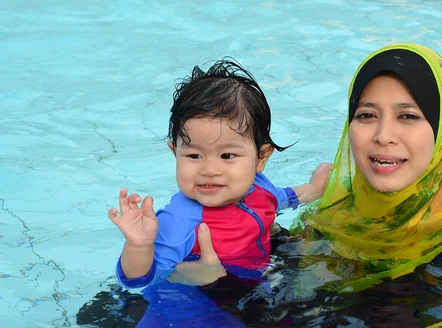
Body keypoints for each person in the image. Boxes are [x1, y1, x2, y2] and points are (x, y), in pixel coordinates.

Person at [282, 43, 442, 293]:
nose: (383, 135)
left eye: (408, 116)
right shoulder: (334, 213)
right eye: (366, 115)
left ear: (441, 129)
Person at [108, 59, 332, 290]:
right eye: (194, 156)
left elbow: (280, 198)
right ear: (175, 152)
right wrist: (139, 246)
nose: (209, 170)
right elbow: (138, 279)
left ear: (261, 158)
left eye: (227, 156)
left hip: (254, 277)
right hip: (199, 302)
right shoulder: (180, 221)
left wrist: (313, 189)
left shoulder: (257, 186)